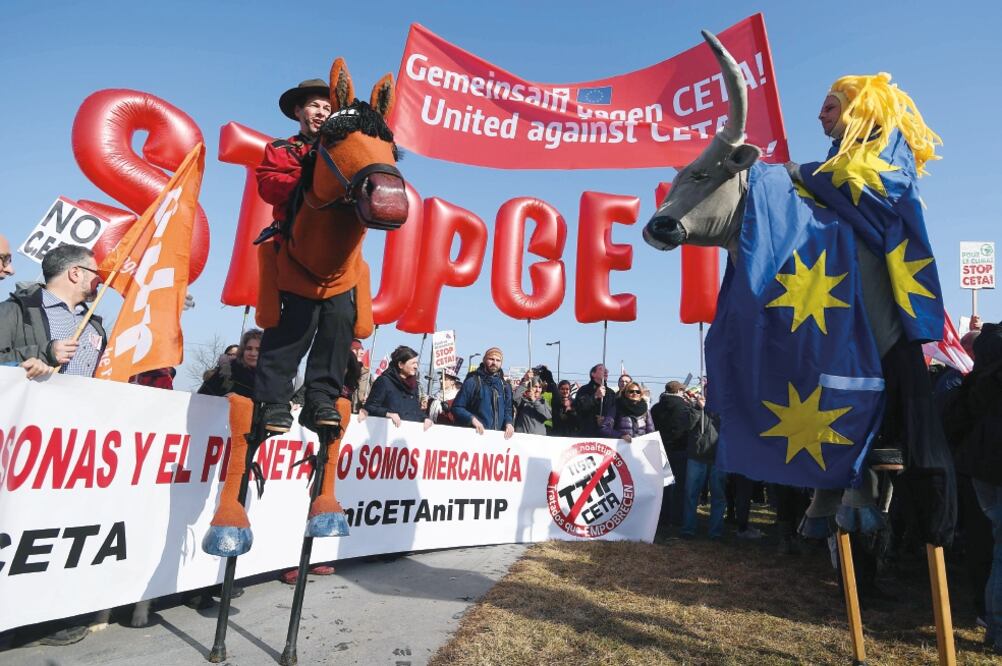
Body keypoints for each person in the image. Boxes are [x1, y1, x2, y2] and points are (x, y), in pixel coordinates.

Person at [253, 78, 354, 434]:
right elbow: (268, 186)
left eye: (327, 108)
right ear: (299, 111)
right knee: (295, 323)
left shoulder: (346, 149)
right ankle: (273, 402)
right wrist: (309, 174)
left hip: (337, 258)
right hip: (294, 248)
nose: (321, 113)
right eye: (314, 106)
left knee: (340, 318)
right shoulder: (281, 148)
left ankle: (321, 398)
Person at [944, 321, 1002, 655]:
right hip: (992, 464)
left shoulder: (985, 366)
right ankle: (996, 628)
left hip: (979, 464)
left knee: (989, 544)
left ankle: (989, 618)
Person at [0, 244, 104, 379]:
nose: (101, 280)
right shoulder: (14, 310)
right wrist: (45, 353)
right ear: (75, 273)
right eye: (96, 273)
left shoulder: (96, 326)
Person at [651, 381, 702, 537]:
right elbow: (691, 425)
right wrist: (697, 408)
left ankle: (662, 517)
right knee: (679, 487)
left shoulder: (656, 408)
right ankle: (677, 518)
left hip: (661, 449)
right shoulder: (683, 408)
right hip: (680, 450)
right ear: (680, 391)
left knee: (664, 486)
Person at [359, 345, 433, 430]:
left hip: (408, 434)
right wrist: (388, 414)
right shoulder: (384, 381)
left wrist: (425, 418)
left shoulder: (414, 384)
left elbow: (415, 410)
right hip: (385, 433)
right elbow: (370, 407)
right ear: (401, 364)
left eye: (417, 363)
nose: (416, 366)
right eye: (413, 363)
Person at [452, 346, 514, 438]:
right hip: (476, 437)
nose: (494, 363)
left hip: (498, 439)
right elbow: (457, 407)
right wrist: (472, 419)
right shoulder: (472, 381)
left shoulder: (505, 386)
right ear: (484, 360)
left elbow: (508, 410)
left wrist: (509, 423)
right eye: (491, 359)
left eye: (498, 360)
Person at [198, 330, 261, 398]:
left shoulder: (270, 378)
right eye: (249, 348)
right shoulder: (227, 372)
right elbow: (201, 398)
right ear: (242, 350)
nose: (253, 353)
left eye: (258, 349)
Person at [573, 363, 616, 437]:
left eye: (606, 370)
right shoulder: (584, 390)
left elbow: (614, 413)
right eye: (601, 369)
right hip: (587, 435)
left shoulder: (611, 393)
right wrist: (595, 396)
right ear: (593, 374)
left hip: (606, 436)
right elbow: (579, 408)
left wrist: (606, 420)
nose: (606, 371)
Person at [350, 339, 372, 412]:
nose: (362, 352)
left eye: (362, 349)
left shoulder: (368, 375)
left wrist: (369, 400)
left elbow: (376, 397)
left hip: (361, 415)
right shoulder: (341, 372)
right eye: (356, 349)